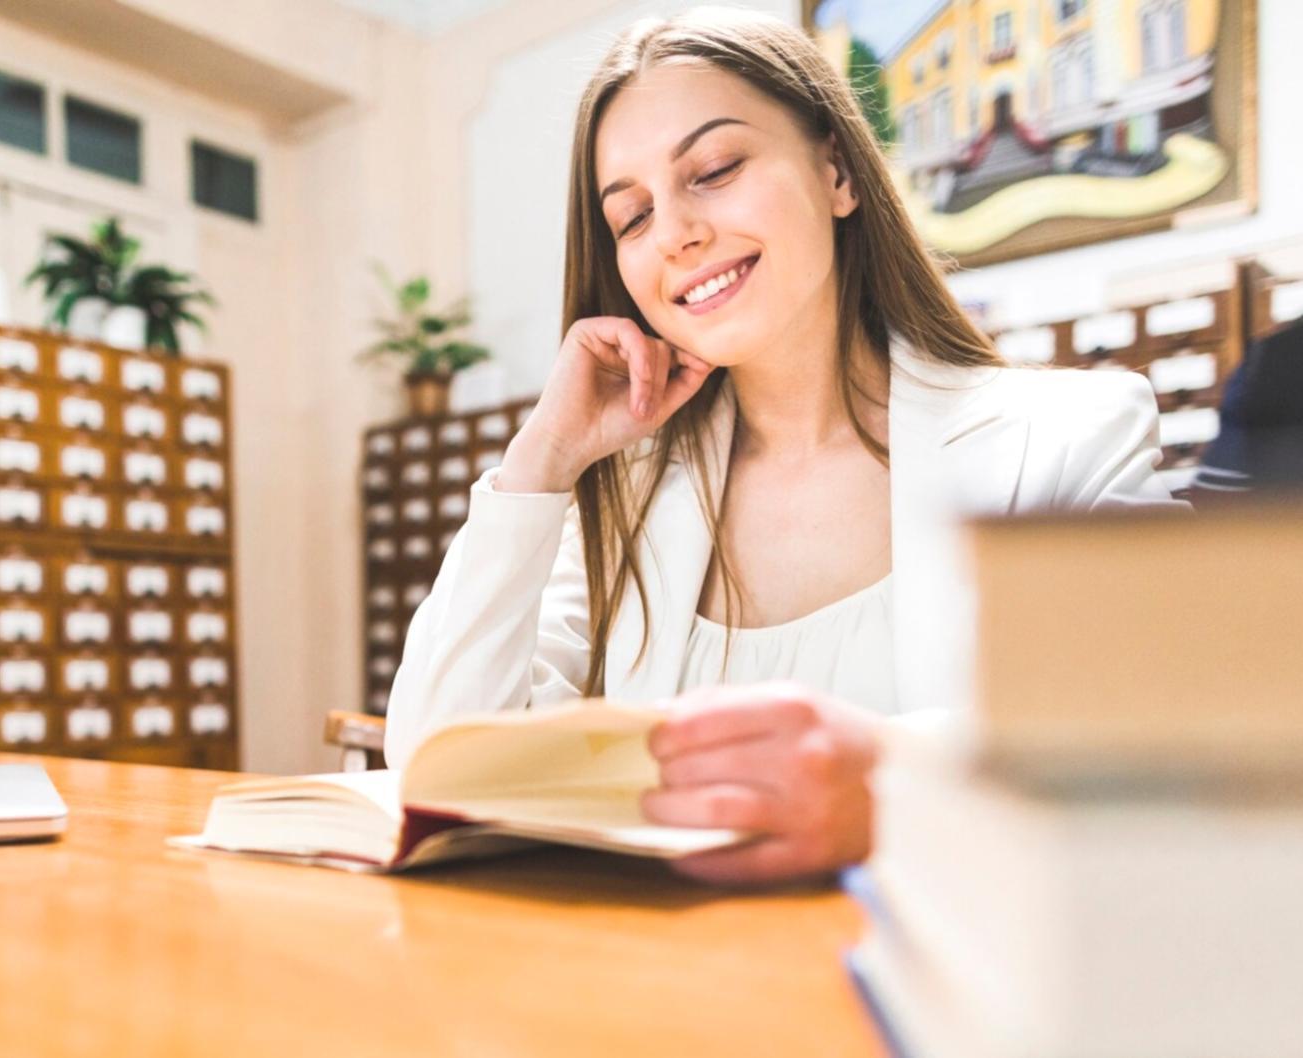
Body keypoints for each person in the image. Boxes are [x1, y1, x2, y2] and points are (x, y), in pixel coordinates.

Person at [383, 7, 1186, 885]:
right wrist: (538, 468)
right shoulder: (623, 497)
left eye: (716, 169)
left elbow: (1161, 747)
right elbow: (434, 767)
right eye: (633, 216)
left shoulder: (1071, 436)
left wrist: (883, 783)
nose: (677, 233)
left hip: (935, 999)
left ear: (837, 170)